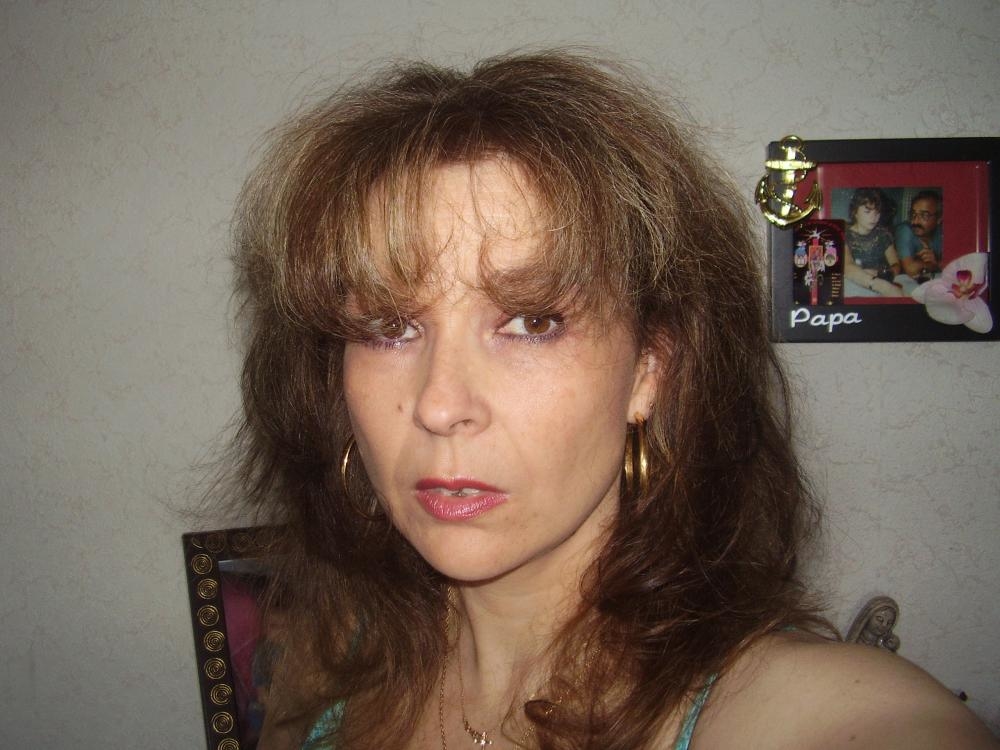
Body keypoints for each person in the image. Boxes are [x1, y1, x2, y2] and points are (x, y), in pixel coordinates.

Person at [227, 51, 996, 748]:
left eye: (532, 322)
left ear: (649, 368)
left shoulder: (806, 715)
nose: (439, 403)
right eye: (389, 327)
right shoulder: (326, 670)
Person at [841, 188, 908, 297]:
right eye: (867, 212)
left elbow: (895, 264)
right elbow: (848, 266)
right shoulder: (845, 234)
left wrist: (885, 273)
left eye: (877, 213)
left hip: (884, 281)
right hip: (857, 282)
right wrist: (865, 274)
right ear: (855, 212)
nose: (873, 217)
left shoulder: (883, 235)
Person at [896, 190, 943, 281]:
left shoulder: (941, 232)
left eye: (924, 215)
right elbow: (911, 270)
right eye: (913, 214)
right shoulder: (904, 230)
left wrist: (935, 263)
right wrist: (935, 265)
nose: (915, 221)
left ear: (939, 219)